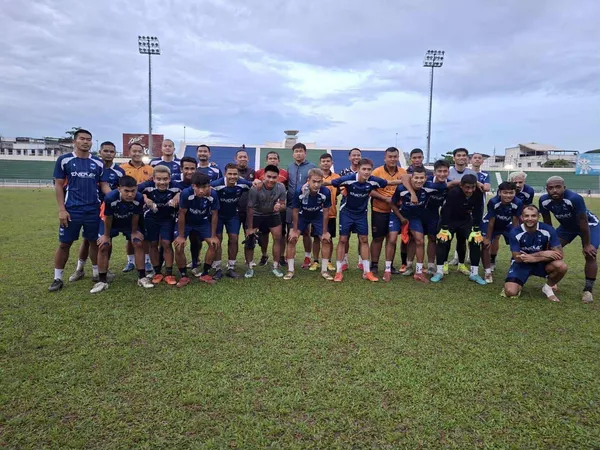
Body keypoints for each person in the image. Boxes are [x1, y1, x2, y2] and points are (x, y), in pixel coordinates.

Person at [49, 129, 106, 291]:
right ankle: (57, 278)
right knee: (64, 244)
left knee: (94, 242)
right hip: (72, 210)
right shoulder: (64, 160)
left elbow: (103, 185)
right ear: (75, 141)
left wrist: (116, 196)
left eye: (89, 139)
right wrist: (61, 209)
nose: (86, 142)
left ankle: (96, 273)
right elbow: (58, 185)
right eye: (82, 139)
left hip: (93, 210)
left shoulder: (98, 162)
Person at [328, 158, 402, 282]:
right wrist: (309, 184)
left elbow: (389, 182)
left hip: (361, 214)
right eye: (364, 169)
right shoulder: (349, 179)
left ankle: (367, 272)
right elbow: (330, 182)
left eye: (369, 169)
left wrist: (407, 180)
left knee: (364, 239)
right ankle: (339, 272)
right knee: (343, 240)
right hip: (346, 213)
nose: (366, 172)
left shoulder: (373, 181)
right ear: (358, 169)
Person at [69, 141, 123, 283]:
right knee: (88, 240)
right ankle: (79, 269)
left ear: (115, 154)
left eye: (112, 151)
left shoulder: (119, 171)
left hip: (108, 211)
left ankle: (104, 268)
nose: (108, 154)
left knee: (107, 240)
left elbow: (120, 190)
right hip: (91, 208)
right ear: (100, 152)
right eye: (106, 151)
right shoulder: (91, 166)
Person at [539, 176, 599, 303]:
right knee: (550, 249)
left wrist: (587, 244)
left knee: (590, 253)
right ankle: (552, 281)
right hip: (567, 227)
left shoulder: (574, 198)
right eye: (551, 188)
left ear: (564, 187)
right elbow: (547, 223)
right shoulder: (543, 200)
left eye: (558, 187)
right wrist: (551, 241)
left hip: (589, 225)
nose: (554, 190)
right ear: (546, 189)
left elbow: (583, 221)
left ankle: (588, 290)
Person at [91, 176, 152, 293]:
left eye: (133, 191)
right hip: (111, 222)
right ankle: (102, 280)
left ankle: (142, 277)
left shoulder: (139, 197)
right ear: (119, 189)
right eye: (126, 191)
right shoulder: (110, 197)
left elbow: (136, 216)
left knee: (138, 243)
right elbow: (108, 218)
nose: (130, 194)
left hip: (129, 221)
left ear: (136, 188)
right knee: (103, 245)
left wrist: (134, 231)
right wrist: (106, 235)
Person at [385, 166, 446, 283]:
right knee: (392, 239)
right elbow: (392, 204)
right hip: (398, 215)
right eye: (416, 178)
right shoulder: (401, 188)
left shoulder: (429, 188)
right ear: (411, 178)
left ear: (425, 178)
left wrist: (477, 183)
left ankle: (418, 272)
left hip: (414, 217)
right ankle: (387, 270)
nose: (419, 180)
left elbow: (450, 184)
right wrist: (401, 218)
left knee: (420, 240)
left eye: (421, 178)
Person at [503, 205, 567, 302]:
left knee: (561, 266)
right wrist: (542, 254)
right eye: (526, 216)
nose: (530, 219)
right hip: (522, 264)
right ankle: (517, 283)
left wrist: (535, 258)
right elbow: (517, 258)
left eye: (533, 216)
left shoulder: (548, 229)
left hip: (542, 263)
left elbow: (559, 254)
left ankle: (548, 288)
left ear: (539, 216)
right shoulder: (515, 232)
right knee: (510, 292)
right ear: (522, 217)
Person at [431, 174, 486, 285]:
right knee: (442, 241)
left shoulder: (478, 192)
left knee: (475, 241)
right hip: (449, 220)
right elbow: (446, 210)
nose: (470, 190)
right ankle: (439, 272)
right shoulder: (454, 192)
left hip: (465, 220)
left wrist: (476, 228)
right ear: (461, 186)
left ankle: (474, 274)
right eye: (467, 187)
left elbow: (478, 210)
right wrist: (444, 228)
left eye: (472, 187)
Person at [173, 172, 220, 287]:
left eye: (205, 187)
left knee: (214, 243)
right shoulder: (186, 193)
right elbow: (182, 214)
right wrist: (181, 236)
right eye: (198, 187)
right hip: (187, 222)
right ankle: (183, 276)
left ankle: (205, 274)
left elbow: (214, 214)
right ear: (193, 186)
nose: (201, 191)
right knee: (179, 245)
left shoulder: (213, 194)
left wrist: (213, 235)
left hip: (202, 222)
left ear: (209, 186)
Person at [285, 168, 333, 280]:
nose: (316, 185)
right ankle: (290, 270)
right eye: (314, 181)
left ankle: (324, 270)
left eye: (319, 182)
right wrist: (294, 230)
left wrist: (325, 232)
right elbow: (295, 210)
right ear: (308, 180)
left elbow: (326, 212)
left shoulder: (326, 192)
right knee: (292, 239)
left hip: (317, 216)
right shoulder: (299, 191)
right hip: (302, 215)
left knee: (326, 240)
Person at [138, 165, 181, 285]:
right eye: (159, 179)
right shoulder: (147, 186)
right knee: (153, 243)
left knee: (166, 243)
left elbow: (187, 190)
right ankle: (157, 272)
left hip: (167, 218)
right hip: (151, 218)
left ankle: (169, 273)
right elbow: (134, 190)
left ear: (170, 178)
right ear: (153, 178)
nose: (162, 182)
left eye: (165, 179)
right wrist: (144, 198)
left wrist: (179, 195)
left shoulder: (175, 187)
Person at [210, 163, 253, 279]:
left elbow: (255, 185)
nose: (233, 176)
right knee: (217, 240)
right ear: (225, 174)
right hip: (218, 216)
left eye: (235, 174)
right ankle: (217, 268)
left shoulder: (243, 183)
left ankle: (231, 267)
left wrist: (258, 182)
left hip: (233, 215)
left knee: (234, 239)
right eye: (230, 174)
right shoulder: (215, 185)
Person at [245, 165, 287, 278]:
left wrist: (280, 206)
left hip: (272, 214)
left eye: (274, 177)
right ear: (263, 176)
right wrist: (250, 228)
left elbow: (283, 205)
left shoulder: (281, 187)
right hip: (256, 214)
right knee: (250, 240)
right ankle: (249, 267)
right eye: (269, 177)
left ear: (278, 177)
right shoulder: (256, 188)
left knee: (277, 238)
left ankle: (276, 266)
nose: (271, 180)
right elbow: (249, 208)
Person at [369, 147, 406, 275]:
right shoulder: (377, 172)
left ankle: (389, 266)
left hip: (395, 212)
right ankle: (374, 265)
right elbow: (370, 190)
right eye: (390, 157)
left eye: (395, 156)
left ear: (398, 158)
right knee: (377, 238)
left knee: (392, 238)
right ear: (385, 158)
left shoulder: (403, 172)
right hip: (379, 209)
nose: (392, 159)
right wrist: (385, 198)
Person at [120, 142, 154, 274]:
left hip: (145, 207)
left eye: (140, 151)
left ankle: (147, 260)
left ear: (143, 153)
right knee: (130, 236)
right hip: (127, 206)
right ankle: (130, 261)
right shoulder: (122, 168)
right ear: (129, 152)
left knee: (145, 235)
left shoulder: (150, 169)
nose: (137, 153)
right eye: (134, 151)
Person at [481, 182, 523, 283]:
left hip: (507, 224)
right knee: (485, 244)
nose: (508, 195)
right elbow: (491, 221)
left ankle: (514, 269)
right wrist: (488, 238)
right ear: (499, 192)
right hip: (491, 223)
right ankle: (487, 272)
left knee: (517, 245)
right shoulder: (493, 201)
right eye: (505, 192)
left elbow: (515, 220)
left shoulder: (518, 202)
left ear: (515, 193)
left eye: (511, 193)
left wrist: (515, 237)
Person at [255, 151, 289, 267]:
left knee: (281, 234)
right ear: (266, 160)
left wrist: (280, 205)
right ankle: (264, 255)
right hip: (264, 210)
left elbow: (286, 189)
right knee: (264, 233)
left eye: (275, 158)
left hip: (279, 209)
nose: (272, 160)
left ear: (278, 160)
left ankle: (281, 257)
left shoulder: (285, 173)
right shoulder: (259, 173)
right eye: (270, 158)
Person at [447, 148, 479, 267]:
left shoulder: (472, 173)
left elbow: (475, 190)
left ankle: (462, 263)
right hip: (449, 211)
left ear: (467, 158)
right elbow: (444, 186)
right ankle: (443, 265)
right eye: (459, 155)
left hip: (465, 212)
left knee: (463, 239)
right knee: (445, 239)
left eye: (464, 155)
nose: (461, 157)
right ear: (454, 158)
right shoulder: (448, 172)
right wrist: (456, 183)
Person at [287, 143, 316, 269]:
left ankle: (307, 257)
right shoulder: (290, 166)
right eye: (296, 151)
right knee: (291, 231)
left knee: (306, 232)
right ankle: (289, 257)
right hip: (291, 204)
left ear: (305, 153)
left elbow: (315, 182)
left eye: (301, 151)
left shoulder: (311, 166)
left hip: (306, 204)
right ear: (293, 154)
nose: (298, 153)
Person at [421, 160, 453, 275]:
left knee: (432, 238)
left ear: (448, 172)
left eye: (445, 171)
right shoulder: (426, 180)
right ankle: (412, 265)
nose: (442, 174)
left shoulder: (451, 184)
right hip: (419, 213)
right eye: (439, 171)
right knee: (416, 239)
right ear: (434, 172)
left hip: (434, 214)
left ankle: (431, 265)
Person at [313, 153, 339, 271]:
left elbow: (339, 192)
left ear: (332, 163)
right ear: (320, 163)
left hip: (331, 213)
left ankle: (328, 261)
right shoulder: (315, 177)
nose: (325, 163)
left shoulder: (337, 177)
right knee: (316, 238)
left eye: (328, 161)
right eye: (323, 161)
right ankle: (315, 261)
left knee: (329, 238)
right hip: (316, 213)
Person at [338, 147, 362, 270]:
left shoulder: (365, 171)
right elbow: (342, 189)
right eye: (354, 155)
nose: (356, 157)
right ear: (349, 157)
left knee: (361, 237)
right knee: (345, 236)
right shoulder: (344, 172)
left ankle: (361, 261)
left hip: (361, 209)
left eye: (358, 155)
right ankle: (344, 261)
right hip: (346, 208)